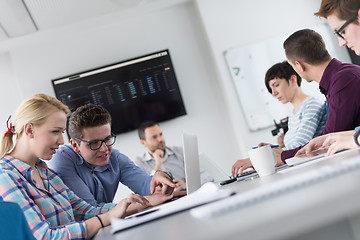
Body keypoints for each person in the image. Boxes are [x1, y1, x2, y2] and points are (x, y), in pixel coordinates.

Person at [0, 93, 152, 239]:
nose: (61, 141)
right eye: (55, 132)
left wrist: (138, 202)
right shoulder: (5, 177)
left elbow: (87, 212)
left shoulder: (48, 174)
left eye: (62, 132)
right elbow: (45, 237)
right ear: (29, 130)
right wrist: (105, 218)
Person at [232, 29, 360, 177]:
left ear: (299, 66)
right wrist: (281, 151)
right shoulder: (340, 78)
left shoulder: (343, 81)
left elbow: (329, 138)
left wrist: (281, 156)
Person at [49, 103, 175, 207]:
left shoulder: (115, 158)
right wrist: (131, 204)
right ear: (75, 145)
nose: (104, 149)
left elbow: (149, 187)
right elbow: (89, 210)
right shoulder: (61, 159)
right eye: (94, 143)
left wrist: (161, 179)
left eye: (107, 139)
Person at [295, 0, 360, 156]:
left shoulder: (345, 78)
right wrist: (337, 137)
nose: (341, 42)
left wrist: (354, 140)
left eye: (342, 32)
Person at [264, 61, 327, 150]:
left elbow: (301, 145)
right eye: (271, 89)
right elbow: (294, 146)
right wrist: (276, 147)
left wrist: (272, 153)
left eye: (276, 85)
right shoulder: (293, 113)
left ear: (293, 80)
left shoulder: (311, 105)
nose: (274, 93)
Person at [134, 121, 213, 191]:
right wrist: (158, 163)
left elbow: (207, 176)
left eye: (160, 134)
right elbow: (146, 189)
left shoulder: (179, 151)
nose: (160, 139)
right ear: (143, 143)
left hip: (188, 195)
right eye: (154, 137)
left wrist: (187, 184)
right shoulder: (140, 162)